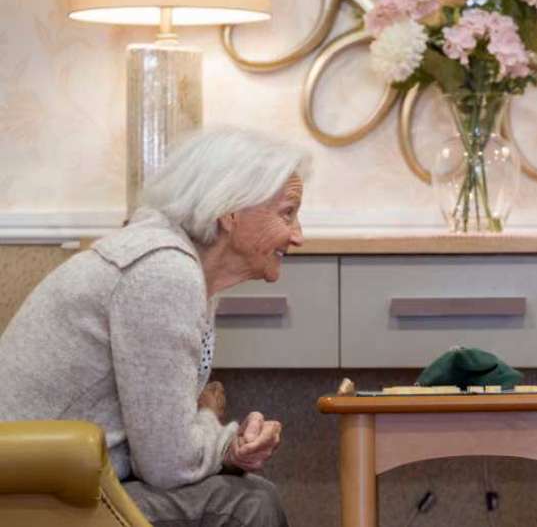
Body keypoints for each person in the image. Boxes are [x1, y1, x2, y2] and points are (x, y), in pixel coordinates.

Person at [0, 126, 309, 527]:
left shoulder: (174, 261)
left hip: (48, 483)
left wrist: (214, 436)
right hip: (29, 497)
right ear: (231, 210)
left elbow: (165, 433)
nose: (298, 235)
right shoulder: (162, 273)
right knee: (251, 502)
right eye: (288, 213)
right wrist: (227, 444)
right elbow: (168, 463)